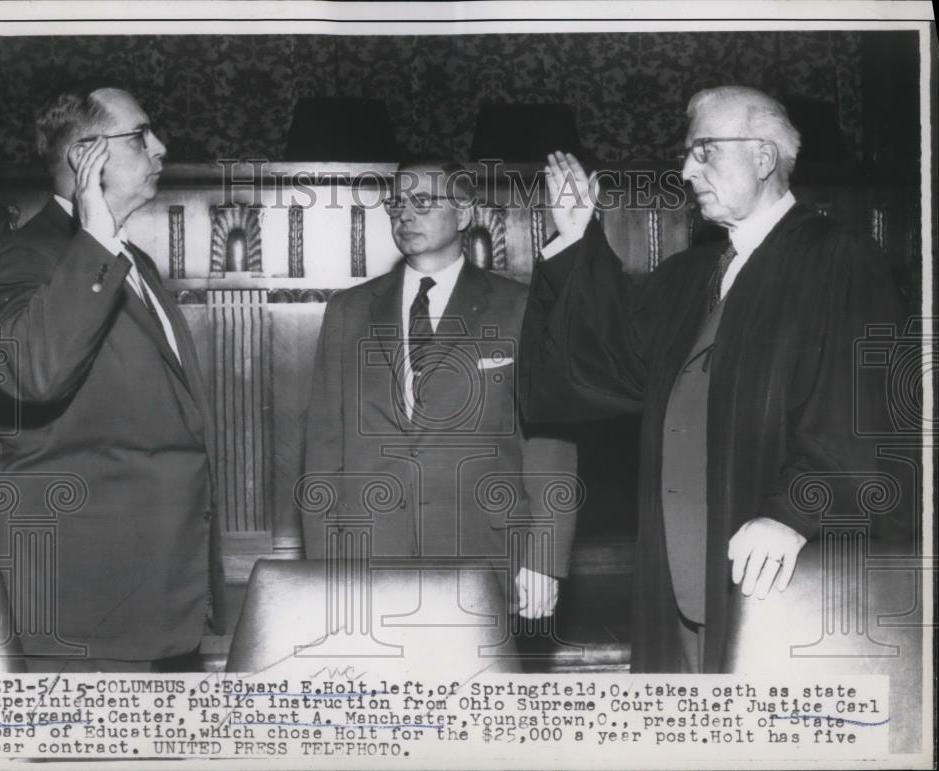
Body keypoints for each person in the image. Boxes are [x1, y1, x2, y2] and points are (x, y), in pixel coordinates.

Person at [520, 86, 909, 671]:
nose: (685, 169)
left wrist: (797, 510)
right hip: (678, 570)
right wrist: (578, 236)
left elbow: (866, 414)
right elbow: (608, 364)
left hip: (776, 570)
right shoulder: (688, 273)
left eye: (703, 151)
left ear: (762, 157)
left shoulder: (838, 261)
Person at [0, 83, 224, 671]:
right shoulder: (26, 258)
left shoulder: (130, 261)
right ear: (86, 157)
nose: (161, 148)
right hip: (85, 604)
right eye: (141, 135)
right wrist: (91, 236)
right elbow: (33, 375)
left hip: (153, 592)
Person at [301, 158, 577, 619]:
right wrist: (321, 568)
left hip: (484, 556)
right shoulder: (348, 311)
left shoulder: (521, 309)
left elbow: (550, 448)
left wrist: (545, 559)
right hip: (369, 559)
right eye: (396, 203)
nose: (404, 214)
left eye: (423, 201)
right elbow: (324, 449)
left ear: (465, 214)